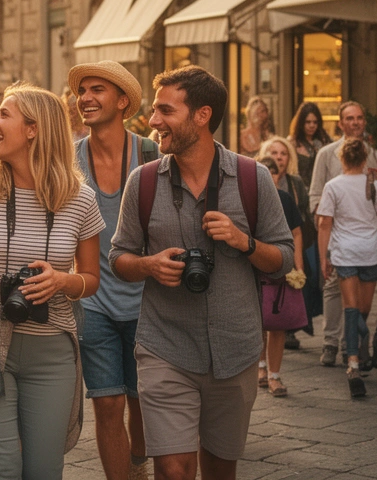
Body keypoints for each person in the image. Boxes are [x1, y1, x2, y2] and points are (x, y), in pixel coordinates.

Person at [110, 66, 294, 480]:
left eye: (164, 111)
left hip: (236, 350)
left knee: (219, 468)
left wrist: (243, 241)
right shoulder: (142, 183)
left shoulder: (252, 177)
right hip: (165, 346)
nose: (153, 121)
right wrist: (149, 266)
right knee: (174, 470)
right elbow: (119, 258)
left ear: (202, 115)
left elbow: (284, 259)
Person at [0, 84, 103, 480]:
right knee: (1, 469)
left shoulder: (80, 199)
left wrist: (63, 282)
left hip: (52, 349)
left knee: (44, 471)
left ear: (33, 129)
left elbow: (92, 279)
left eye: (2, 114)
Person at [67, 61, 156, 480]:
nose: (85, 97)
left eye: (97, 89)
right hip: (93, 300)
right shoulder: (69, 160)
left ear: (123, 102)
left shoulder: (151, 155)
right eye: (82, 90)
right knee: (106, 403)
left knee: (142, 404)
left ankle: (138, 461)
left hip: (148, 302)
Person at [308, 100, 377, 367]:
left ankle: (351, 344)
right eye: (350, 118)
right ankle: (331, 342)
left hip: (366, 242)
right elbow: (316, 195)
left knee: (362, 300)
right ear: (341, 123)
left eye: (360, 118)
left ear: (364, 121)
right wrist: (326, 228)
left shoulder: (375, 156)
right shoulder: (327, 154)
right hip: (335, 234)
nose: (355, 122)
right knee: (332, 288)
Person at [316, 139, 377, 397]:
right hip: (366, 252)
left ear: (342, 159)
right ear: (364, 159)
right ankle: (353, 362)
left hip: (348, 252)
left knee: (356, 309)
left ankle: (359, 346)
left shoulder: (333, 186)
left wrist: (323, 257)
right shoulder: (374, 185)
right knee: (359, 309)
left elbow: (325, 223)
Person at [256, 136, 317, 351]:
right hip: (261, 253)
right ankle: (262, 365)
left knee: (283, 303)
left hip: (288, 248)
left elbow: (298, 225)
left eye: (283, 153)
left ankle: (288, 331)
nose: (279, 158)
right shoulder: (253, 186)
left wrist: (298, 263)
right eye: (274, 153)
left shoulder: (292, 185)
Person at [254, 155, 305, 398]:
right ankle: (260, 367)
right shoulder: (250, 199)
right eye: (265, 172)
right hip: (256, 267)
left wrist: (298, 267)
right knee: (259, 321)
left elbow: (296, 233)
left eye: (273, 173)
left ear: (278, 176)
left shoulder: (285, 198)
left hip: (282, 266)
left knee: (278, 321)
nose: (270, 177)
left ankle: (274, 374)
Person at [287, 101, 331, 188]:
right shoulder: (292, 143)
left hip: (321, 188)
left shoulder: (324, 141)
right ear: (301, 123)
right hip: (300, 189)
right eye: (308, 122)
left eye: (315, 122)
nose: (312, 126)